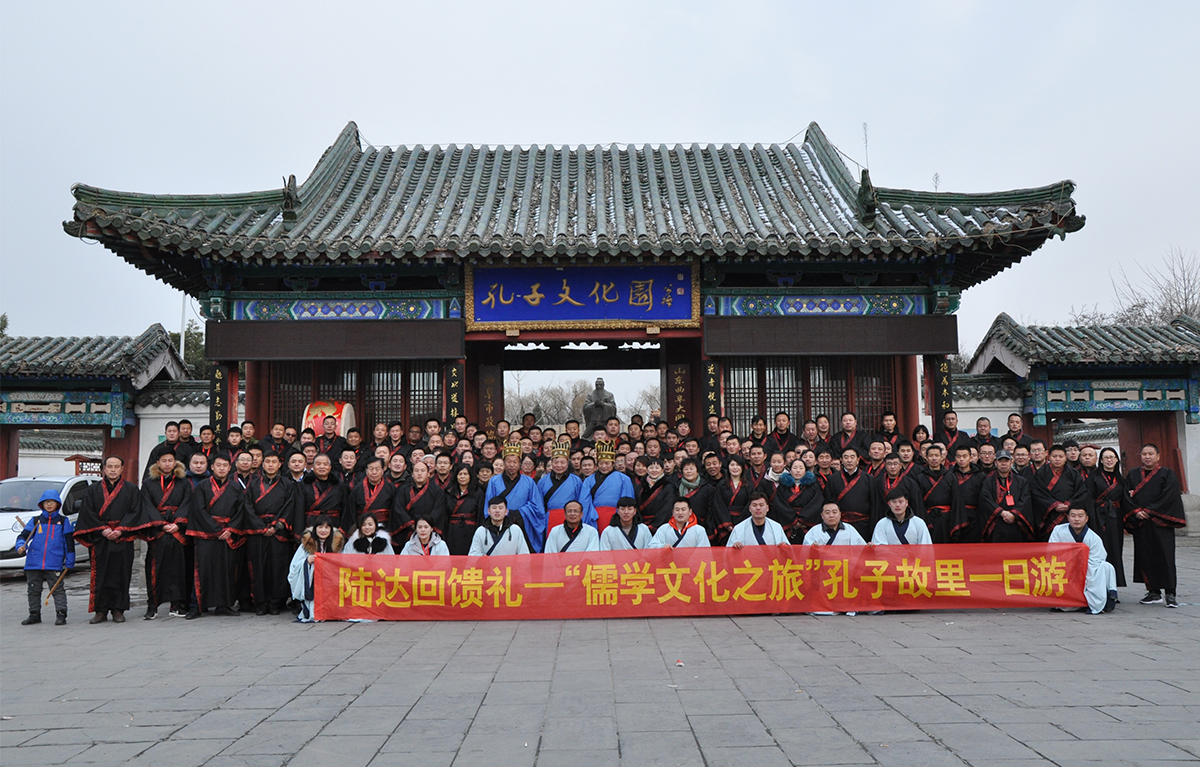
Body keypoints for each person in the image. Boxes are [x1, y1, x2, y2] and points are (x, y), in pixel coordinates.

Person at [74, 456, 161, 624]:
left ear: (122, 469)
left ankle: (118, 609)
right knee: (100, 575)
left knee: (121, 574)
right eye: (110, 466)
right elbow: (88, 512)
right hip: (101, 538)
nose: (113, 470)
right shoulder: (93, 490)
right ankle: (100, 610)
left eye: (116, 466)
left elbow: (135, 511)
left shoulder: (131, 489)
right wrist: (103, 529)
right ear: (104, 469)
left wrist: (121, 529)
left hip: (123, 538)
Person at [185, 454, 261, 619]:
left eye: (224, 465)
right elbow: (199, 510)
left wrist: (231, 529)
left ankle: (224, 605)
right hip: (207, 533)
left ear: (229, 467)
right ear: (212, 467)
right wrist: (216, 530)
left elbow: (240, 510)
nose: (221, 468)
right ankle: (196, 605)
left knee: (226, 570)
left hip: (227, 533)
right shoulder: (203, 486)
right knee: (202, 570)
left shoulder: (235, 488)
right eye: (218, 465)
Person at [1124, 444, 1186, 608]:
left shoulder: (1167, 474)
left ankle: (1170, 594)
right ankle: (1153, 591)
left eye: (1151, 453)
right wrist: (1136, 511)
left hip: (1161, 523)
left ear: (1158, 456)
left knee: (1166, 557)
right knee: (1145, 556)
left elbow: (1169, 496)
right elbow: (1125, 495)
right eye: (1144, 453)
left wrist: (1149, 510)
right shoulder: (1133, 474)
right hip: (1141, 523)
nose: (1147, 456)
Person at [243, 452, 298, 616]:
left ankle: (275, 602)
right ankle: (260, 602)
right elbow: (247, 507)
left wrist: (277, 525)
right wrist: (261, 527)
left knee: (278, 567)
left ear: (280, 464)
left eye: (274, 462)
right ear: (262, 463)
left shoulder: (287, 484)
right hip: (258, 531)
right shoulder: (253, 485)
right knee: (258, 567)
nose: (271, 465)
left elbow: (289, 506)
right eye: (267, 461)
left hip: (278, 532)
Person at [141, 451, 191, 619]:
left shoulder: (184, 483)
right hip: (158, 531)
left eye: (170, 460)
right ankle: (152, 605)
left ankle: (176, 604)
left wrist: (177, 523)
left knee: (178, 568)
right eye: (164, 461)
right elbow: (146, 505)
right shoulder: (148, 483)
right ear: (158, 463)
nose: (167, 464)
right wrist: (162, 524)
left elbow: (187, 503)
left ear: (175, 462)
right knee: (155, 568)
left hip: (178, 530)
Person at [16, 489, 74, 626]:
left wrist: (70, 559)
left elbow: (68, 542)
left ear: (57, 504)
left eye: (52, 502)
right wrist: (20, 546)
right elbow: (23, 536)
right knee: (33, 589)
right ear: (41, 504)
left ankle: (61, 614)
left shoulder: (63, 521)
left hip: (54, 561)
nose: (49, 505)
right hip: (34, 561)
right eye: (46, 502)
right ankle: (34, 614)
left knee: (57, 589)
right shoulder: (36, 520)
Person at [1048, 506, 1118, 614]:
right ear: (1068, 517)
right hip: (1064, 567)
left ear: (1086, 519)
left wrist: (1079, 565)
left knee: (1105, 567)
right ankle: (1065, 602)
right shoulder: (1058, 531)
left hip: (1087, 569)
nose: (1076, 519)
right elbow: (1052, 552)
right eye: (1073, 516)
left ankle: (1094, 602)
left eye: (1080, 516)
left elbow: (1097, 560)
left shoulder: (1093, 538)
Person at [485, 441, 547, 551]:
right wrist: (502, 513)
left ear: (520, 464)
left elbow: (537, 507)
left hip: (523, 524)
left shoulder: (529, 482)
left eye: (515, 462)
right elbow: (489, 504)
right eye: (509, 461)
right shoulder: (494, 481)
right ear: (504, 463)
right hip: (500, 523)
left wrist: (517, 513)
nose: (512, 465)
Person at [288, 515, 344, 622]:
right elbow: (294, 567)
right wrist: (307, 561)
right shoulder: (307, 544)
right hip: (314, 582)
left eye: (327, 528)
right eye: (320, 527)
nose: (323, 530)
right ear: (315, 529)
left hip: (331, 582)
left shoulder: (337, 544)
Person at [1085, 447, 1127, 587]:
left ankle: (1113, 584)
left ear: (1116, 460)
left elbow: (1125, 498)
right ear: (1101, 460)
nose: (1109, 460)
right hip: (1098, 517)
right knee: (1099, 551)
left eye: (1112, 457)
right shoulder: (1094, 477)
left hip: (1115, 518)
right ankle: (1099, 585)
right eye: (1106, 457)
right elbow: (1089, 498)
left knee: (1115, 550)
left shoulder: (1120, 479)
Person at [1032, 445, 1089, 540]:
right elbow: (1038, 493)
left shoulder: (1073, 473)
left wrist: (1069, 504)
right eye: (1054, 456)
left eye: (1061, 456)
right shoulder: (1041, 473)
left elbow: (1081, 492)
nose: (1057, 459)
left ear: (1065, 458)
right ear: (1049, 457)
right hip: (1048, 514)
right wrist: (1054, 505)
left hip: (1067, 514)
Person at [978, 450, 1035, 542]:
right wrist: (1002, 512)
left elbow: (1025, 500)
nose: (1003, 464)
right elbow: (986, 500)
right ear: (996, 462)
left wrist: (1014, 514)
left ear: (1011, 462)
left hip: (1016, 522)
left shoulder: (1021, 481)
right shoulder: (988, 482)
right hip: (996, 522)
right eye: (1000, 461)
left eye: (1006, 461)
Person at [580, 440, 635, 534]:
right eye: (601, 463)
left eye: (607, 463)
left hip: (617, 516)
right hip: (594, 516)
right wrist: (589, 516)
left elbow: (627, 500)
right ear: (597, 464)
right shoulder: (589, 480)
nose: (604, 466)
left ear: (613, 463)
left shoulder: (624, 479)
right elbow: (584, 502)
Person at [824, 447, 877, 539]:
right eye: (846, 457)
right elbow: (828, 501)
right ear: (841, 460)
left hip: (863, 525)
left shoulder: (868, 479)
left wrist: (872, 527)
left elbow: (874, 505)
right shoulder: (833, 479)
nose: (849, 460)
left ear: (858, 460)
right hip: (840, 524)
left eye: (852, 457)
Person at [392, 460, 447, 547]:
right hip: (408, 530)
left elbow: (438, 510)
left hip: (428, 531)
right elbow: (399, 509)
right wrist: (412, 525)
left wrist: (424, 526)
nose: (419, 473)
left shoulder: (437, 491)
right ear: (412, 474)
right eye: (416, 471)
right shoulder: (403, 490)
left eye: (423, 470)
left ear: (428, 474)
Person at [770, 458, 823, 542]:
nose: (798, 471)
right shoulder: (783, 486)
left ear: (806, 470)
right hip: (788, 524)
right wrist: (793, 521)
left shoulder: (813, 486)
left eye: (801, 468)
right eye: (795, 468)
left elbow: (816, 504)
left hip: (807, 524)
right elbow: (780, 505)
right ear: (790, 470)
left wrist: (802, 520)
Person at [538, 440, 583, 534]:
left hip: (571, 518)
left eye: (563, 462)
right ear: (551, 462)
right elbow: (539, 505)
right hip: (549, 518)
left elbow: (581, 502)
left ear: (568, 463)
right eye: (556, 462)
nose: (559, 465)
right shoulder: (543, 481)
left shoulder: (576, 481)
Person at [445, 464, 484, 556]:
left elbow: (480, 514)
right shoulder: (449, 492)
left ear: (470, 476)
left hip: (470, 530)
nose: (463, 477)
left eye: (465, 474)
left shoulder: (477, 492)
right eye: (460, 474)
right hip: (452, 531)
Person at [636, 457, 677, 532]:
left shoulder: (668, 486)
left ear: (662, 470)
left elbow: (667, 508)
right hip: (641, 526)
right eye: (651, 468)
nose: (654, 470)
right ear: (647, 470)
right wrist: (640, 523)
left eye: (657, 468)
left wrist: (654, 525)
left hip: (661, 526)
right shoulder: (640, 486)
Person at [802, 503, 868, 546]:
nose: (831, 515)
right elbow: (805, 552)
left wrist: (869, 547)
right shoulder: (814, 531)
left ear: (840, 514)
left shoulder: (849, 529)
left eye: (834, 512)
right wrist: (812, 549)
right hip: (821, 566)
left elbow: (861, 549)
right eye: (827, 513)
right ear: (822, 515)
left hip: (845, 565)